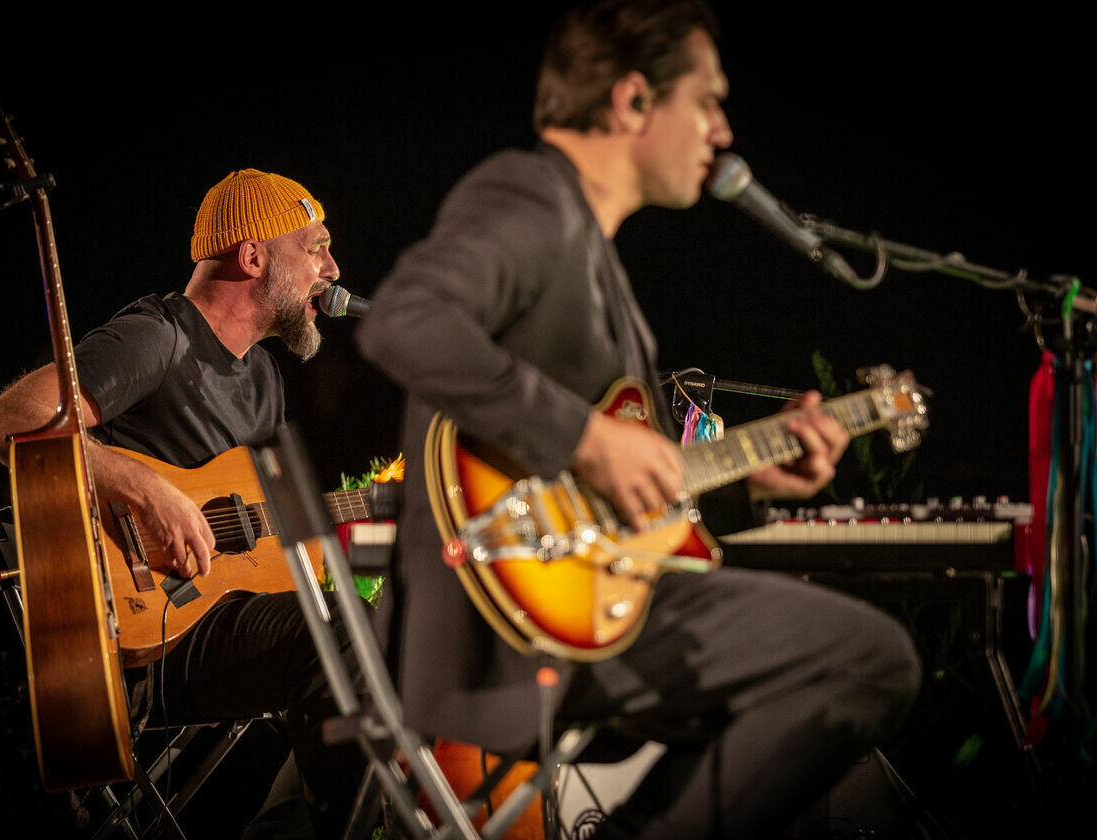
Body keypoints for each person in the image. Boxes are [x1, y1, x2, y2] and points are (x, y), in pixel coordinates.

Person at [355, 2, 923, 837]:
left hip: (575, 604)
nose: (723, 131)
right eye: (708, 100)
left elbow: (619, 500)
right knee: (869, 660)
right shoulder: (529, 196)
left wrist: (752, 484)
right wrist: (586, 438)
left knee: (806, 681)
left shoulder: (591, 250)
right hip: (505, 629)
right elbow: (403, 321)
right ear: (631, 101)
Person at [0, 168, 359, 838]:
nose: (332, 269)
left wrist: (371, 518)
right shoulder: (159, 336)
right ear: (252, 256)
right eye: (315, 247)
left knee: (364, 631)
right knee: (342, 638)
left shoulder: (265, 380)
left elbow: (267, 541)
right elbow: (4, 424)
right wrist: (141, 486)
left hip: (218, 622)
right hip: (140, 639)